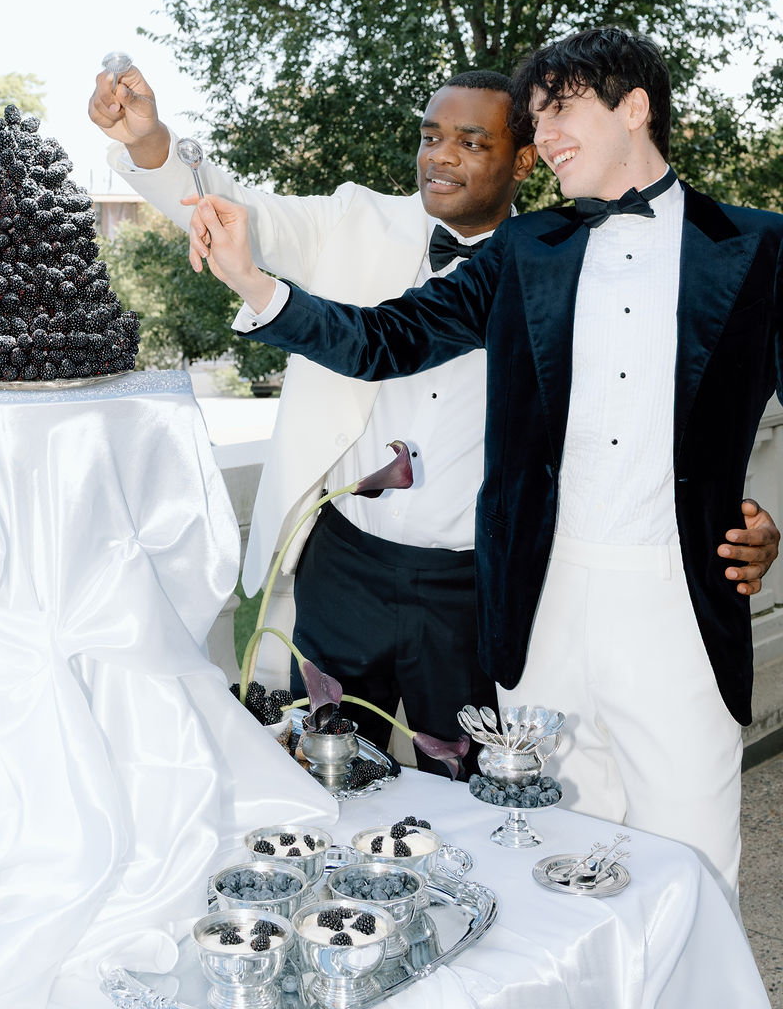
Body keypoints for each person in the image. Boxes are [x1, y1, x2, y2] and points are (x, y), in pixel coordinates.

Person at [182, 26, 781, 905]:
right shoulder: (524, 251)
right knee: (553, 865)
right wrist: (253, 285)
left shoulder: (762, 249)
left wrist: (772, 520)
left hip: (678, 608)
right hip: (538, 614)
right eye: (537, 115)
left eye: (562, 108)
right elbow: (386, 339)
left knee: (693, 869)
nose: (546, 134)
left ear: (636, 108)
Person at [90, 63, 535, 766]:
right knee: (322, 776)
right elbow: (235, 212)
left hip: (472, 589)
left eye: (472, 142)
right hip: (345, 569)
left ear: (524, 160)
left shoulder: (549, 267)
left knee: (467, 784)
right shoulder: (354, 221)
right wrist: (151, 145)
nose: (441, 155)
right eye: (430, 136)